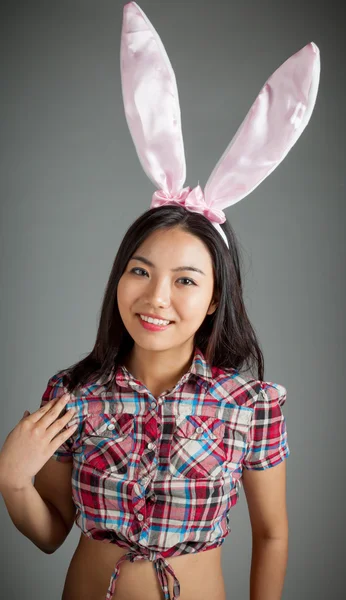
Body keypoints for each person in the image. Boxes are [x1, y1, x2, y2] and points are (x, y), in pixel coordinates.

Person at [0, 3, 320, 600]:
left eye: (186, 280)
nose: (156, 297)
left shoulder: (251, 404)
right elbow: (51, 535)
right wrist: (13, 481)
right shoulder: (72, 396)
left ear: (215, 298)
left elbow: (272, 534)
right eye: (140, 271)